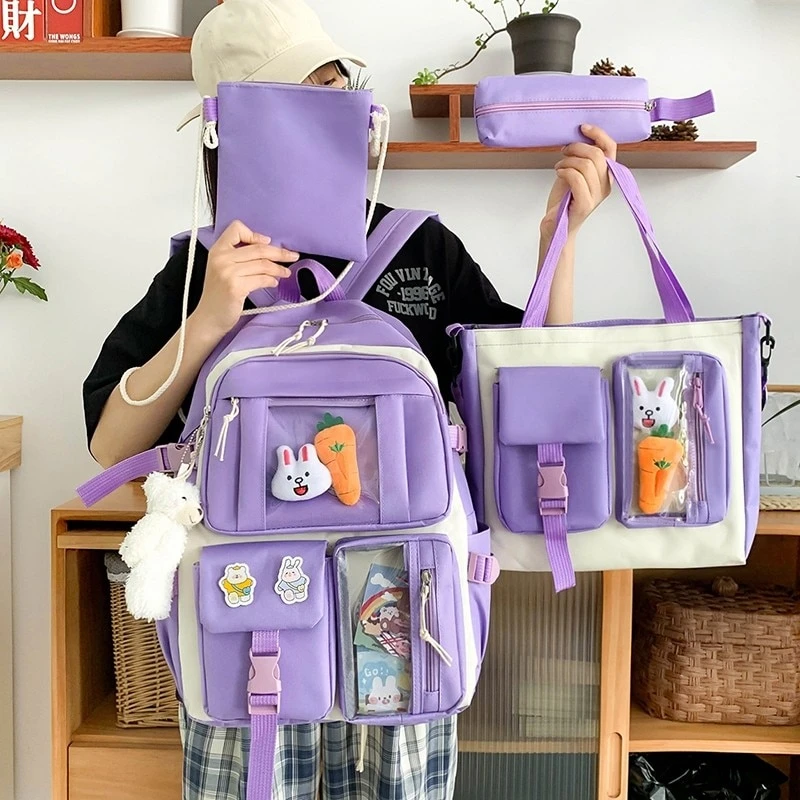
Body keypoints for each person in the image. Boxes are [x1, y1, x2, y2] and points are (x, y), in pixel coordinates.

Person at [82, 1, 618, 798]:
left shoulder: (419, 245)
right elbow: (109, 442)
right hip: (248, 621)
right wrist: (209, 319)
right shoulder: (202, 267)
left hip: (404, 614)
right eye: (302, 95)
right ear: (231, 128)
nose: (337, 111)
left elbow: (528, 392)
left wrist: (559, 240)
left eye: (338, 87)